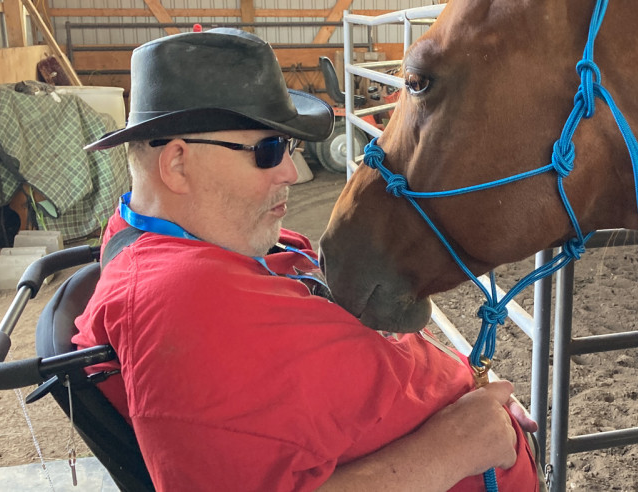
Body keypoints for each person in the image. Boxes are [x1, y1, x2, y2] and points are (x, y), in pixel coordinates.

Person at [73, 28, 540, 491]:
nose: (293, 174)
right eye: (268, 150)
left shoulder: (219, 238)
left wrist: (468, 396)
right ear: (176, 164)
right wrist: (458, 444)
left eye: (288, 147)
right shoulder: (179, 303)